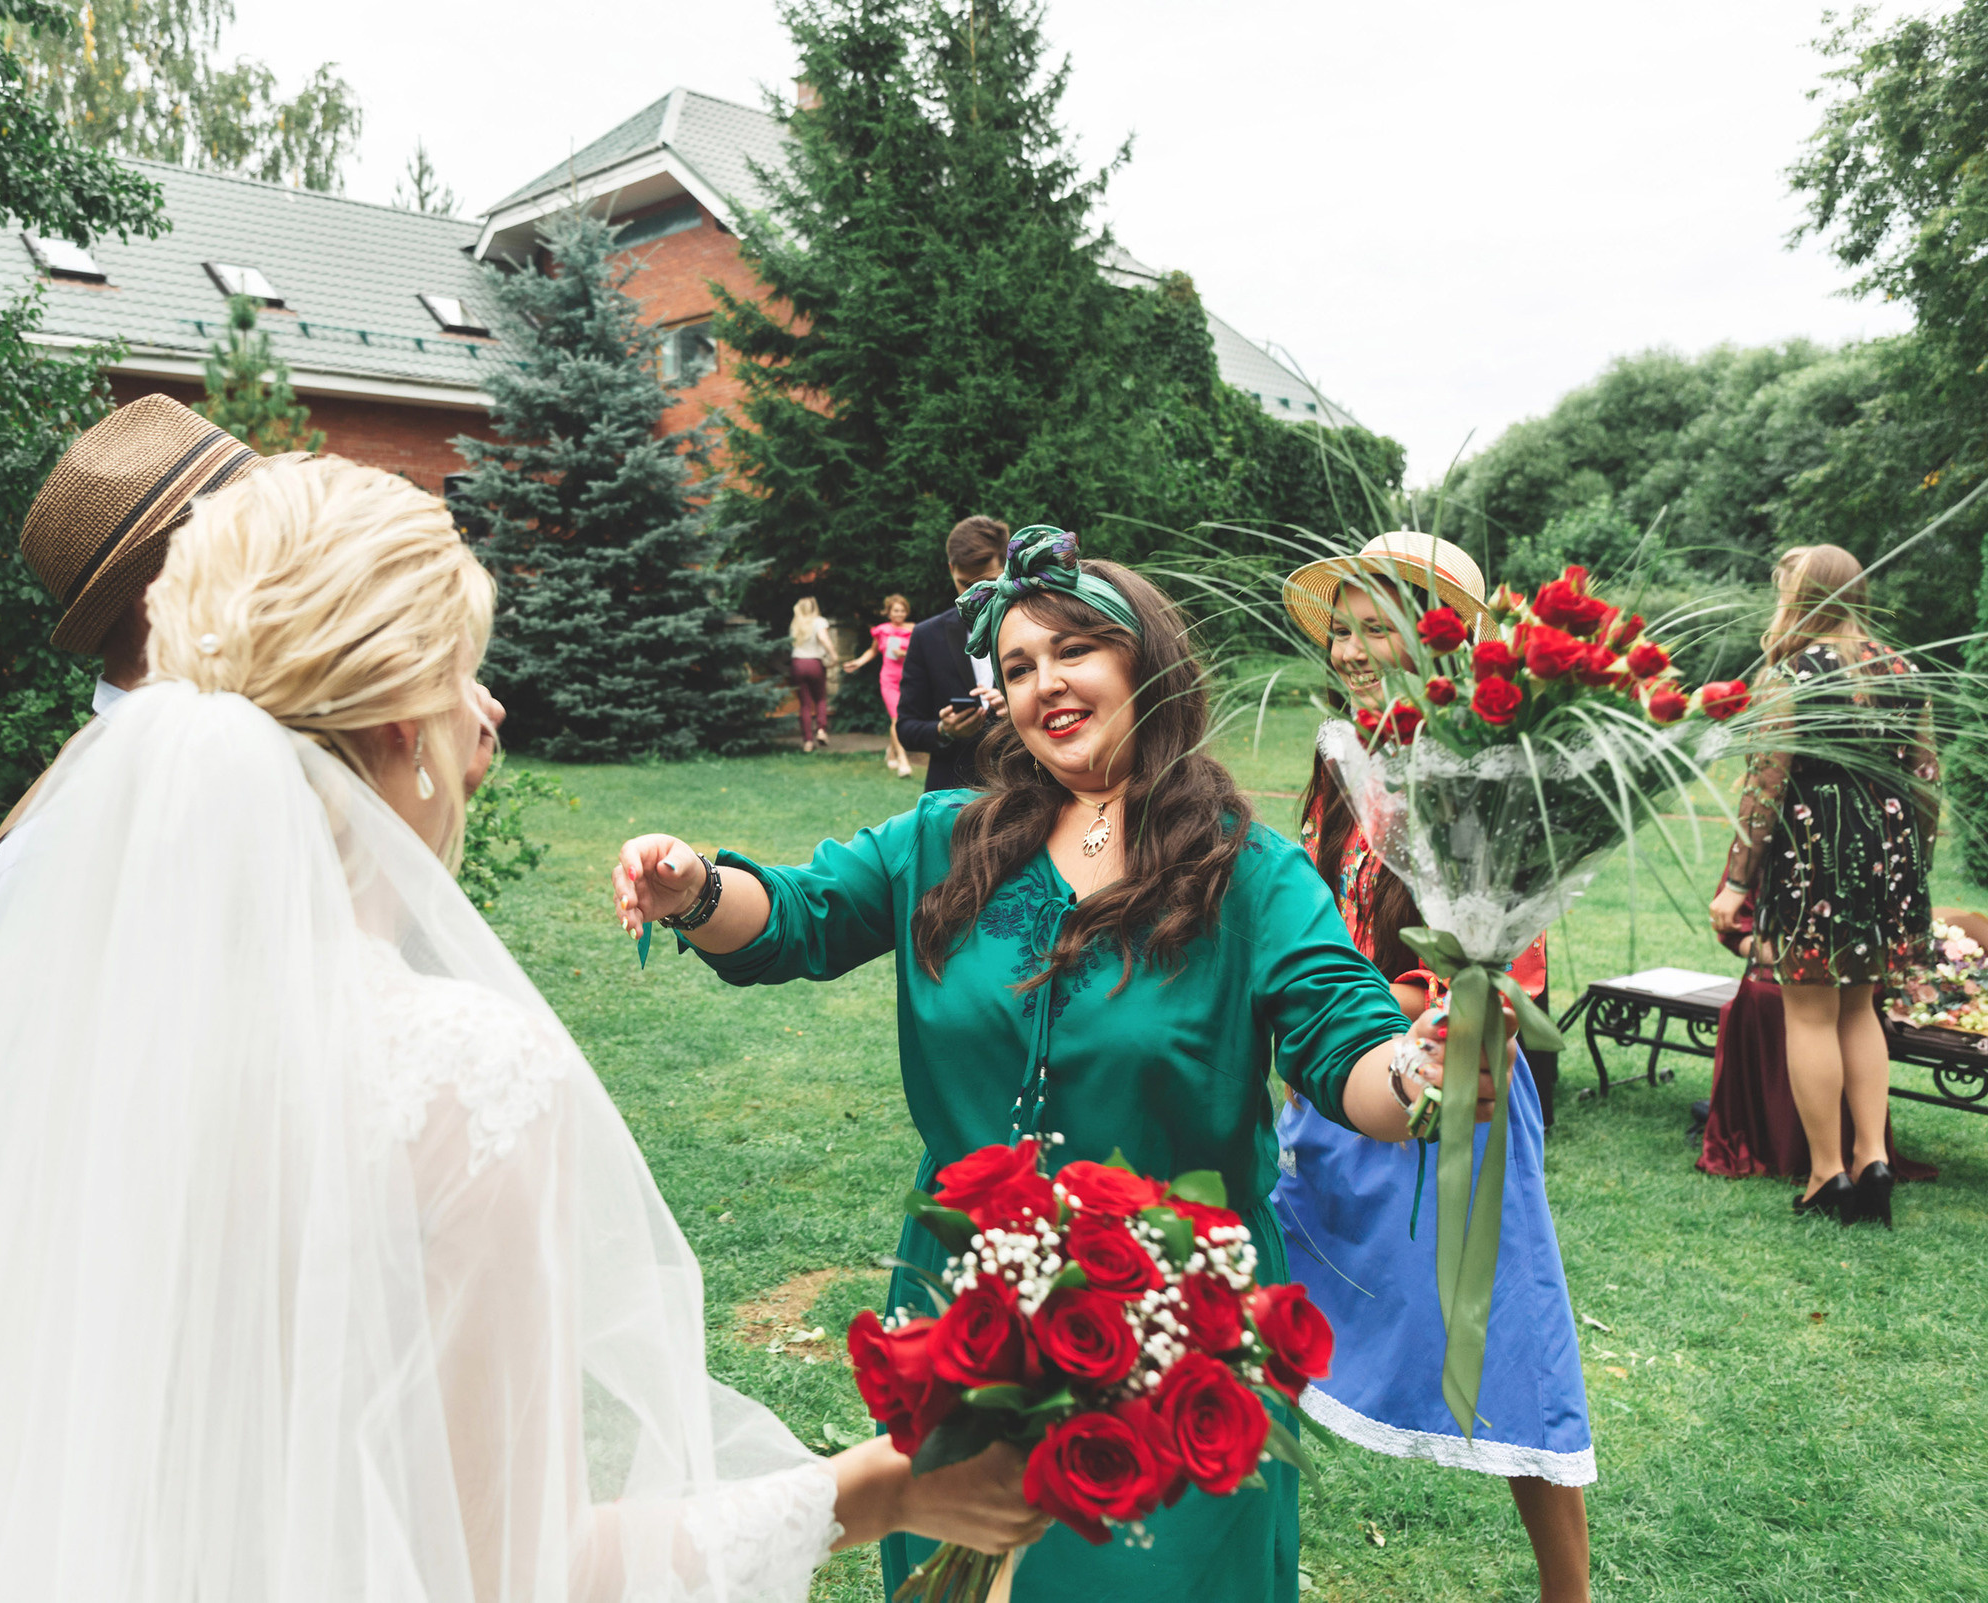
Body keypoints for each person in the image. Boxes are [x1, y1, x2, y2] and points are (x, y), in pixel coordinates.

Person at [0, 455, 1047, 1601]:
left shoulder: (86, 1021)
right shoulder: (453, 1069)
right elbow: (516, 1569)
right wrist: (883, 1488)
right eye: (466, 673)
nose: (491, 714)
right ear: (403, 730)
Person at [613, 526, 1487, 1603]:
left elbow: (1343, 1042)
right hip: (963, 1308)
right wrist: (693, 886)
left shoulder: (1246, 872)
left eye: (1073, 651)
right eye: (1017, 667)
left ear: (1145, 663)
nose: (1044, 686)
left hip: (1176, 1335)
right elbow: (799, 917)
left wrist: (1419, 1076)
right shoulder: (943, 841)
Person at [1274, 532, 1594, 1603]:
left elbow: (1512, 961)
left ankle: (1568, 1593)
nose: (1356, 649)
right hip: (1331, 1077)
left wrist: (1426, 1018)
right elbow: (1318, 917)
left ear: (1440, 639)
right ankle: (1236, 1551)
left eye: (1380, 627)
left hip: (1456, 1087)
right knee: (1263, 1305)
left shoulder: (1484, 768)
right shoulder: (1336, 753)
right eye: (1343, 629)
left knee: (1504, 1343)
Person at [0, 394, 501, 963]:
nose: (302, 557)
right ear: (166, 586)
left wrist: (424, 791)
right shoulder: (54, 854)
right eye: (254, 535)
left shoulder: (263, 759)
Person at [1709, 544, 1938, 1227]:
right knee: (1858, 1008)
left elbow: (1765, 785)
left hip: (1817, 857)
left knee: (1808, 1011)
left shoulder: (1793, 673)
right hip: (1887, 862)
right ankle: (1875, 1159)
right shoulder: (1906, 669)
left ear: (1803, 596)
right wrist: (1910, 868)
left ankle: (1825, 1172)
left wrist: (1736, 882)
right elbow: (1926, 782)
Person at [894, 516, 1011, 791]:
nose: (976, 595)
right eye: (965, 584)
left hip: (1024, 794)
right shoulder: (926, 636)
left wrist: (1018, 712)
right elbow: (907, 728)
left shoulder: (1034, 628)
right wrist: (944, 730)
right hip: (950, 798)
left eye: (988, 582)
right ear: (950, 569)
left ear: (1007, 567)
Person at [841, 596, 916, 777]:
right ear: (889, 613)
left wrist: (904, 653)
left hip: (909, 679)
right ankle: (903, 762)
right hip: (889, 679)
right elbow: (873, 651)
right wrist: (857, 663)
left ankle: (891, 751)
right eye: (895, 610)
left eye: (902, 610)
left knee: (902, 717)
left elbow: (920, 654)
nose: (899, 614)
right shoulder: (882, 631)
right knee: (896, 718)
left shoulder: (914, 629)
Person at [787, 596, 837, 752]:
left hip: (797, 663)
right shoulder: (819, 621)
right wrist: (833, 655)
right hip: (815, 663)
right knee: (821, 698)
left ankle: (807, 741)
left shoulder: (795, 624)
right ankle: (821, 730)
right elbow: (823, 638)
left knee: (805, 704)